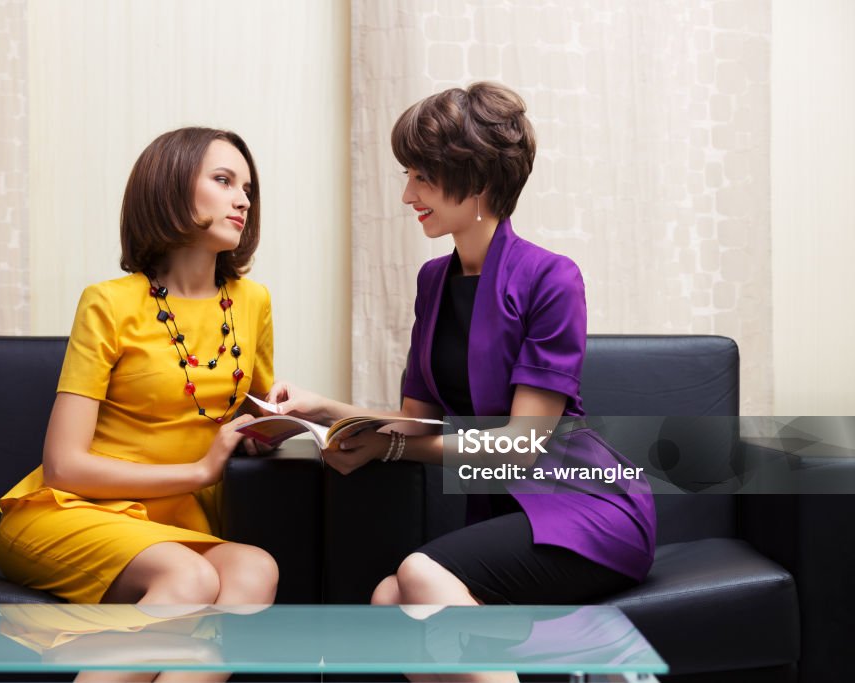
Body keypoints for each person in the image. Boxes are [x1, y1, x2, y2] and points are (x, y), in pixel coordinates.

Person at [269, 82, 656, 613]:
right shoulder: (433, 281)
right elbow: (416, 420)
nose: (408, 196)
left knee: (416, 575)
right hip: (510, 518)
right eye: (408, 176)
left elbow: (519, 446)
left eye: (422, 178)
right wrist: (323, 409)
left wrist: (391, 448)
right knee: (387, 601)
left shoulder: (552, 278)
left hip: (587, 509)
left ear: (475, 180)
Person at [0, 128, 279, 620]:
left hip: (174, 525)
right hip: (71, 512)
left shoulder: (253, 303)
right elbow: (64, 466)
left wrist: (270, 426)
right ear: (170, 189)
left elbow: (253, 410)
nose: (243, 201)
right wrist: (200, 471)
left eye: (247, 189)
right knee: (189, 578)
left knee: (255, 570)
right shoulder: (108, 302)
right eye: (224, 180)